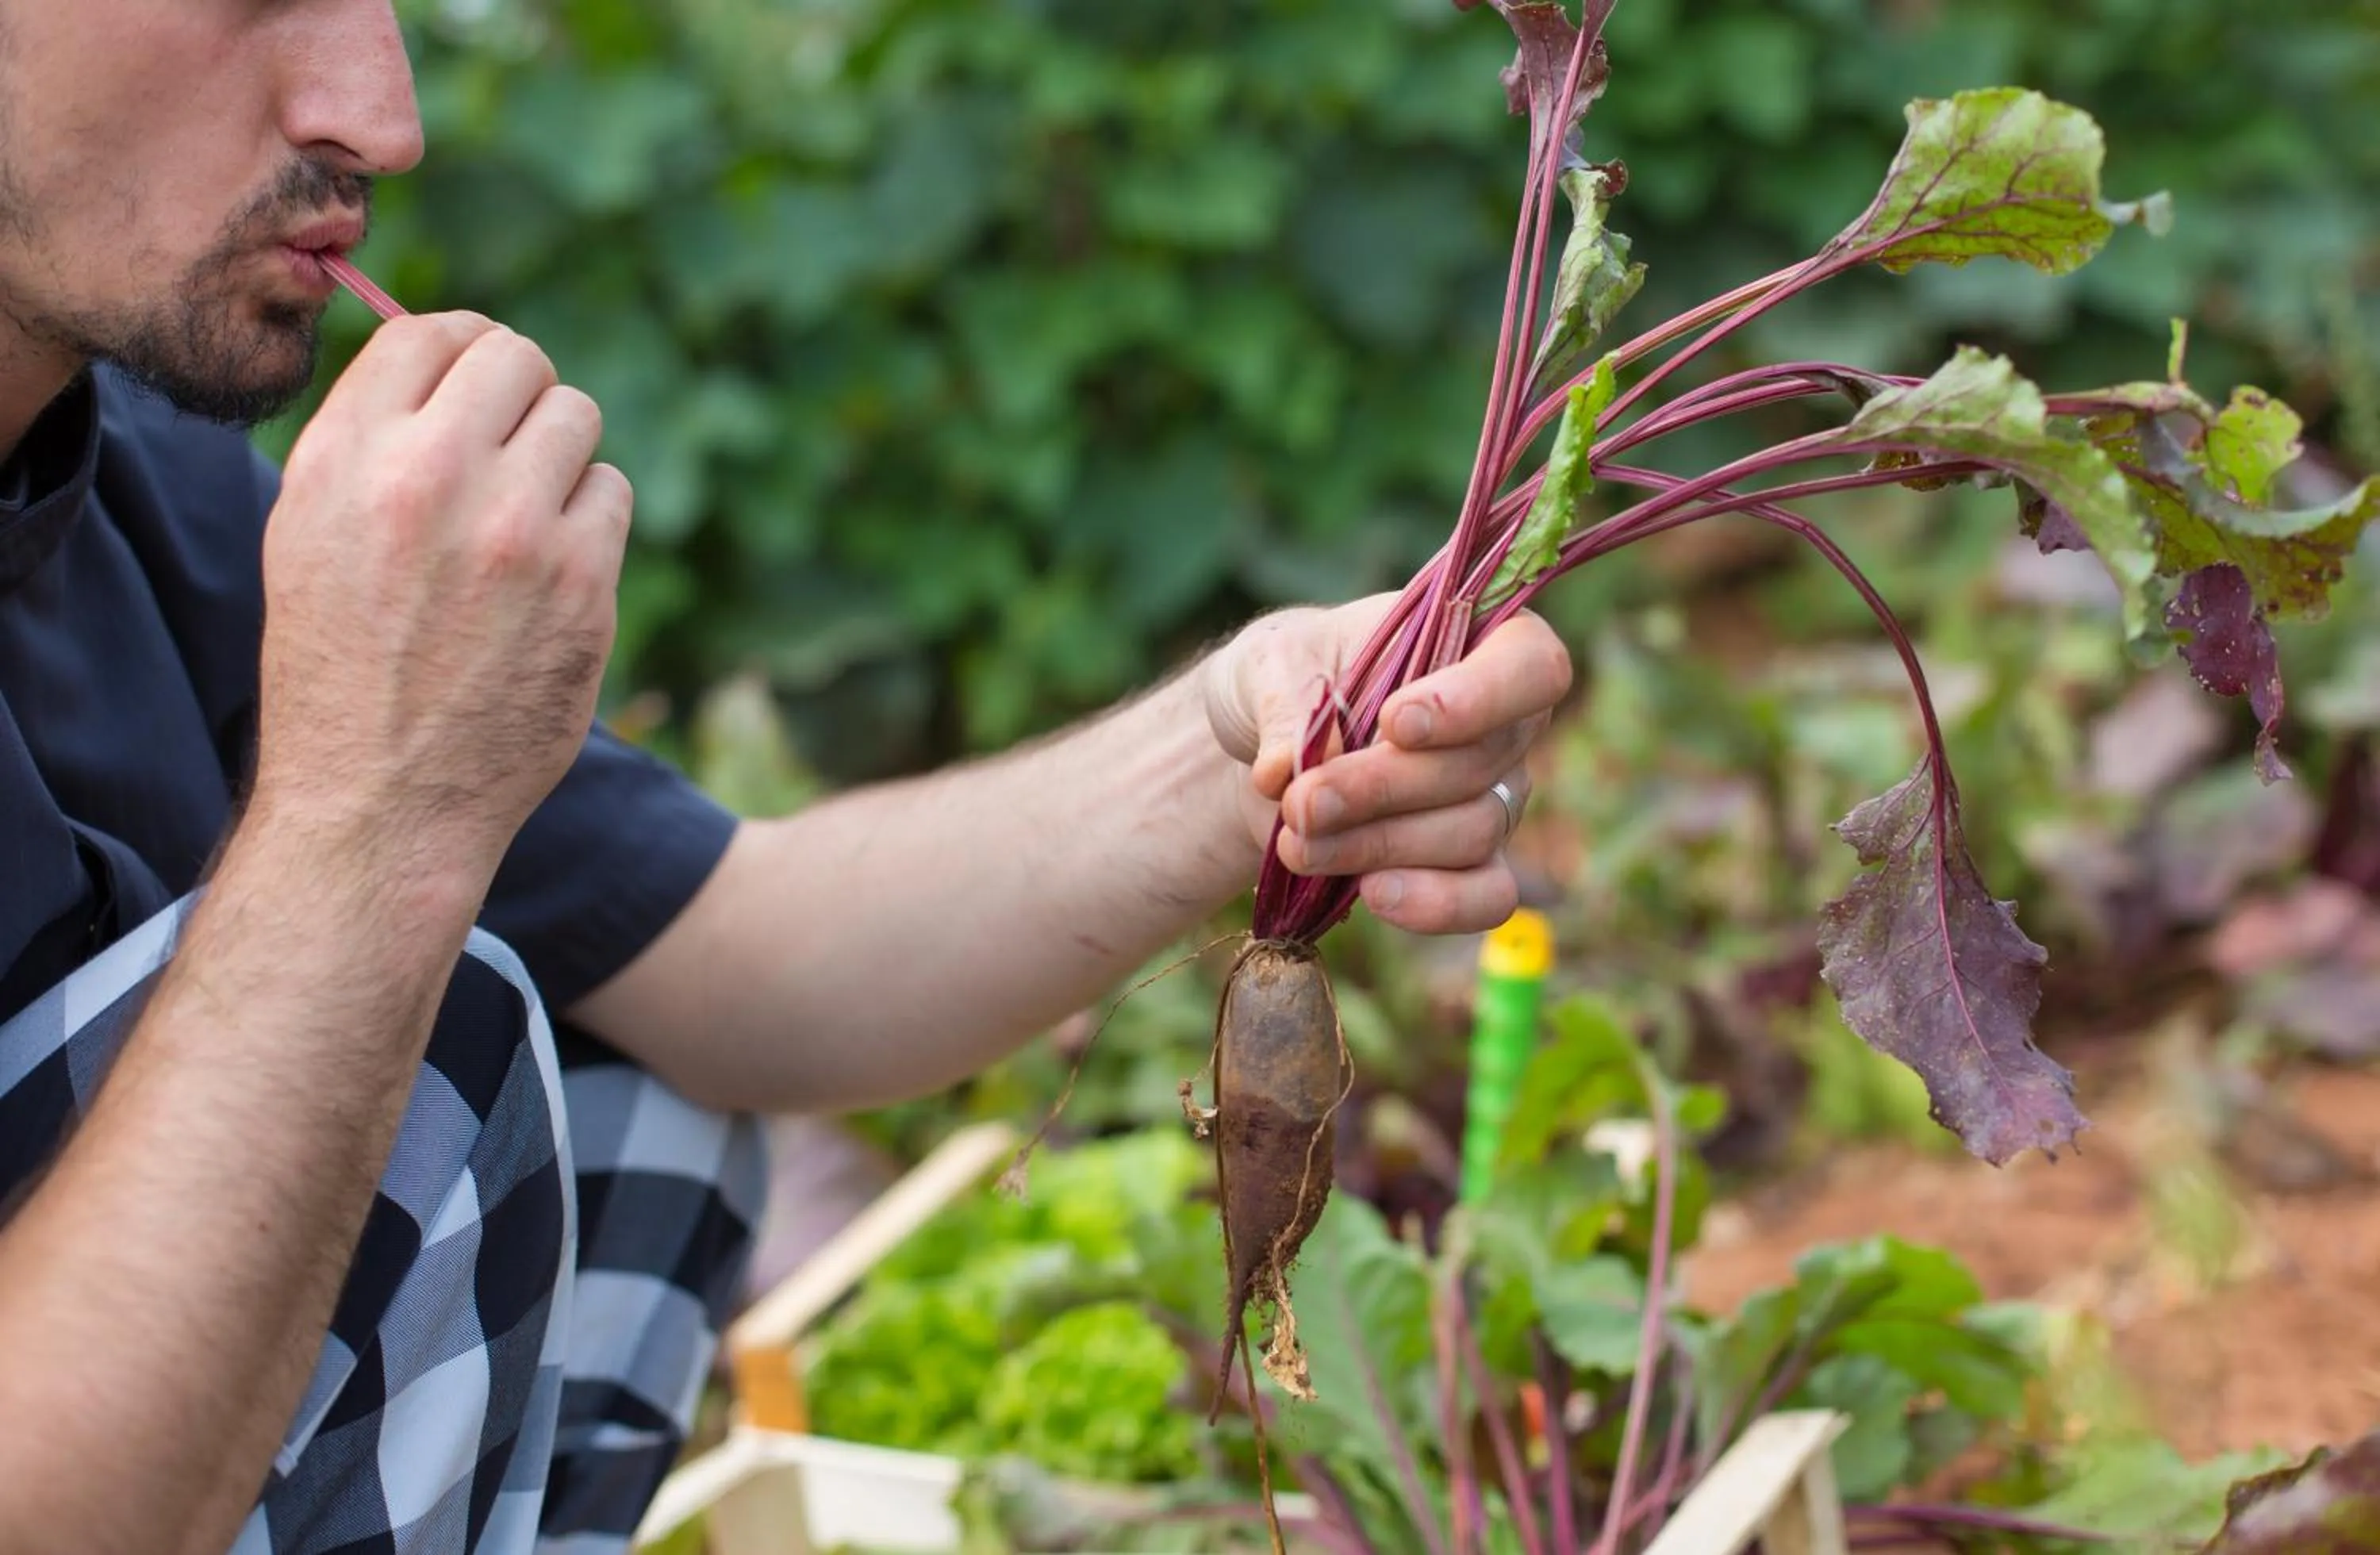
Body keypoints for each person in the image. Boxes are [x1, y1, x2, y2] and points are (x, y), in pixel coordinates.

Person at [0, 4, 1572, 1553]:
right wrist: (369, 815)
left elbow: (738, 960)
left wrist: (1240, 752)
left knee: (623, 1073)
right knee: (430, 1022)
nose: (383, 119)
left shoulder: (125, 467)